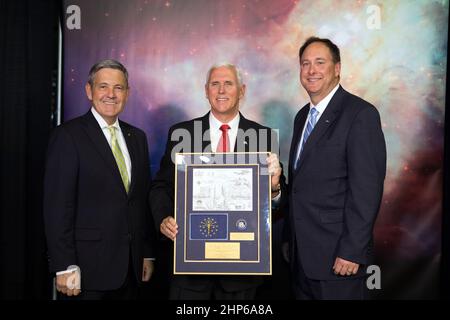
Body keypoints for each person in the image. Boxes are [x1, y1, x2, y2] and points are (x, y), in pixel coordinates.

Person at [150, 63, 282, 300]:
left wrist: (274, 189)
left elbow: (278, 204)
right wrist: (163, 218)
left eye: (228, 83)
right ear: (206, 90)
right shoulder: (181, 133)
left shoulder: (264, 138)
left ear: (242, 90)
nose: (221, 90)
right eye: (215, 84)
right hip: (190, 270)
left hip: (242, 273)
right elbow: (161, 187)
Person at [43, 59, 155, 299]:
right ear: (89, 90)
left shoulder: (137, 137)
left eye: (118, 88)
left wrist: (145, 252)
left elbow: (140, 201)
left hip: (131, 270)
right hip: (86, 272)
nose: (111, 94)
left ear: (127, 93)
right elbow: (57, 207)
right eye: (103, 86)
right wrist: (64, 265)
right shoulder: (68, 136)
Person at [284, 37, 386, 300]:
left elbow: (366, 190)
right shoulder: (301, 117)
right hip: (300, 260)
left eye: (320, 62)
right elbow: (299, 186)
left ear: (337, 68)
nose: (311, 70)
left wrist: (352, 250)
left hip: (338, 259)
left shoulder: (360, 114)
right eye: (305, 64)